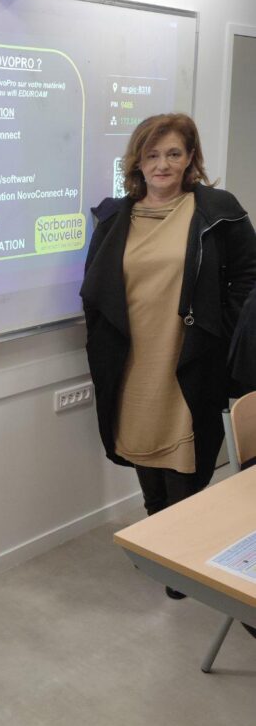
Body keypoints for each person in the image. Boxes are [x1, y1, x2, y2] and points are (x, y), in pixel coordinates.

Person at [81, 114, 256, 573]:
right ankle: (156, 542)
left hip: (189, 352)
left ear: (190, 158)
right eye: (153, 155)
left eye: (174, 154)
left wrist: (223, 331)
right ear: (137, 162)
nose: (163, 164)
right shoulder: (113, 217)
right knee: (142, 443)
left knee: (186, 453)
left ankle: (179, 557)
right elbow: (95, 288)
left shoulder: (217, 211)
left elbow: (248, 276)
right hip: (132, 354)